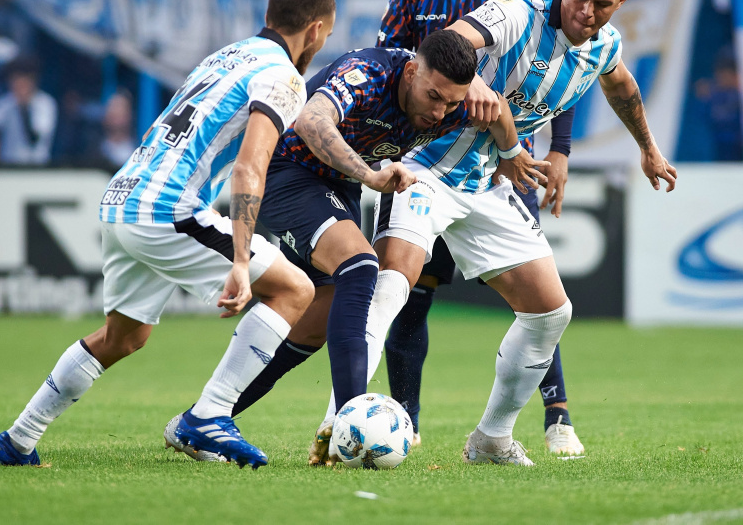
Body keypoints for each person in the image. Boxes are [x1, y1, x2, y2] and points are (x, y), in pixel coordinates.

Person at [0, 0, 336, 467]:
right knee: (294, 290)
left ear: (269, 16)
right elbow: (250, 167)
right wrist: (240, 259)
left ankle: (17, 440)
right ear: (315, 30)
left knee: (124, 337)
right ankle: (209, 416)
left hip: (122, 197)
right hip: (166, 207)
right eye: (326, 35)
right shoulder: (284, 77)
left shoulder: (226, 56)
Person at [368, 0, 676, 466]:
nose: (587, 12)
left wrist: (648, 148)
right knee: (393, 288)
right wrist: (470, 77)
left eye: (602, 4)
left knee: (551, 313)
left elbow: (622, 87)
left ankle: (491, 440)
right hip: (424, 170)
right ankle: (339, 418)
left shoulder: (604, 46)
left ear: (622, 1)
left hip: (487, 184)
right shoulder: (517, 10)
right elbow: (451, 38)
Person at [163, 30, 499, 463]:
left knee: (315, 323)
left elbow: (502, 112)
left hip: (336, 187)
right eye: (433, 96)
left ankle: (201, 418)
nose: (439, 112)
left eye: (450, 104)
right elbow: (310, 120)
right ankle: (350, 421)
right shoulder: (368, 74)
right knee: (361, 267)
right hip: (286, 171)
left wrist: (513, 153)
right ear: (412, 72)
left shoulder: (460, 102)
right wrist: (370, 174)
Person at [375, 0, 583, 456]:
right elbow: (390, 70)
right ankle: (405, 421)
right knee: (410, 294)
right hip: (425, 165)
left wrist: (560, 150)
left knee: (536, 294)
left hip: (501, 168)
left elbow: (568, 71)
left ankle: (558, 415)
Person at [0, 56, 58, 164]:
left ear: (32, 81)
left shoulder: (45, 103)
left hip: (37, 165)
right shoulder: (6, 102)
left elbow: (35, 138)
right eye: (13, 80)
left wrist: (24, 108)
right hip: (8, 164)